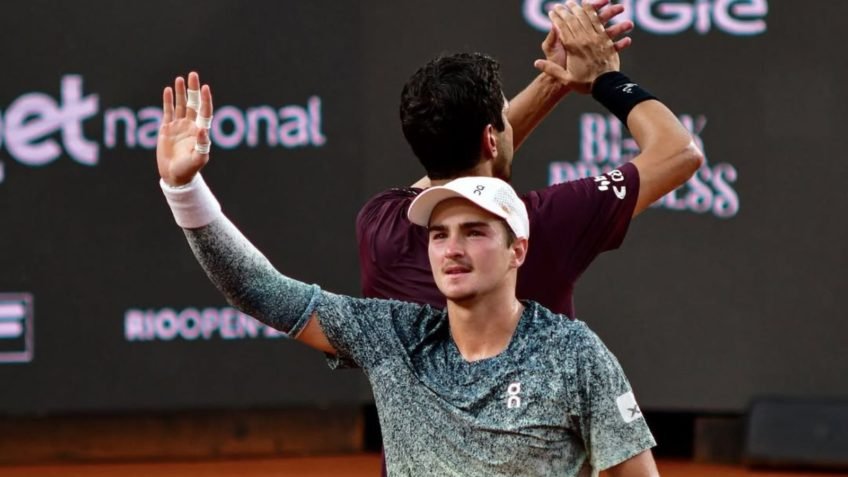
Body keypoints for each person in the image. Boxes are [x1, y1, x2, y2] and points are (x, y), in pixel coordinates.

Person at [156, 80, 659, 477]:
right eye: (439, 235)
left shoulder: (574, 354)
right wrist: (183, 187)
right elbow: (257, 288)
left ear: (517, 251)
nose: (452, 249)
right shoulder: (392, 337)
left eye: (475, 232)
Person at [358, 0, 704, 318]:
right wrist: (606, 79)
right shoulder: (536, 225)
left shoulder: (379, 225)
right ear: (491, 138)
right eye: (505, 118)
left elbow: (464, 155)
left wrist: (557, 78)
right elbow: (678, 152)